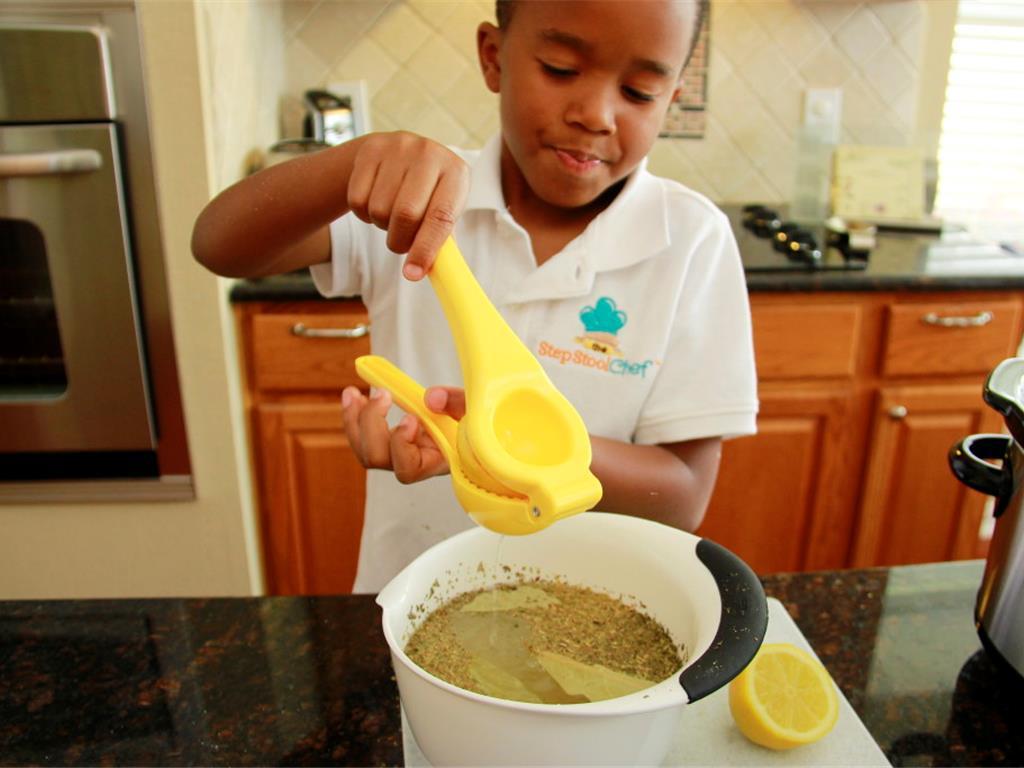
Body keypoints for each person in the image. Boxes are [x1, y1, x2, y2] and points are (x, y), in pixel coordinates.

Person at [192, 0, 757, 592]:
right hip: (408, 599)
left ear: (673, 96)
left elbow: (682, 499)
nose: (596, 114)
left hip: (596, 609)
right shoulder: (414, 198)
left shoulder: (692, 240)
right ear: (493, 57)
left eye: (640, 92)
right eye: (561, 69)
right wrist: (350, 166)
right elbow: (220, 245)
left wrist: (508, 448)